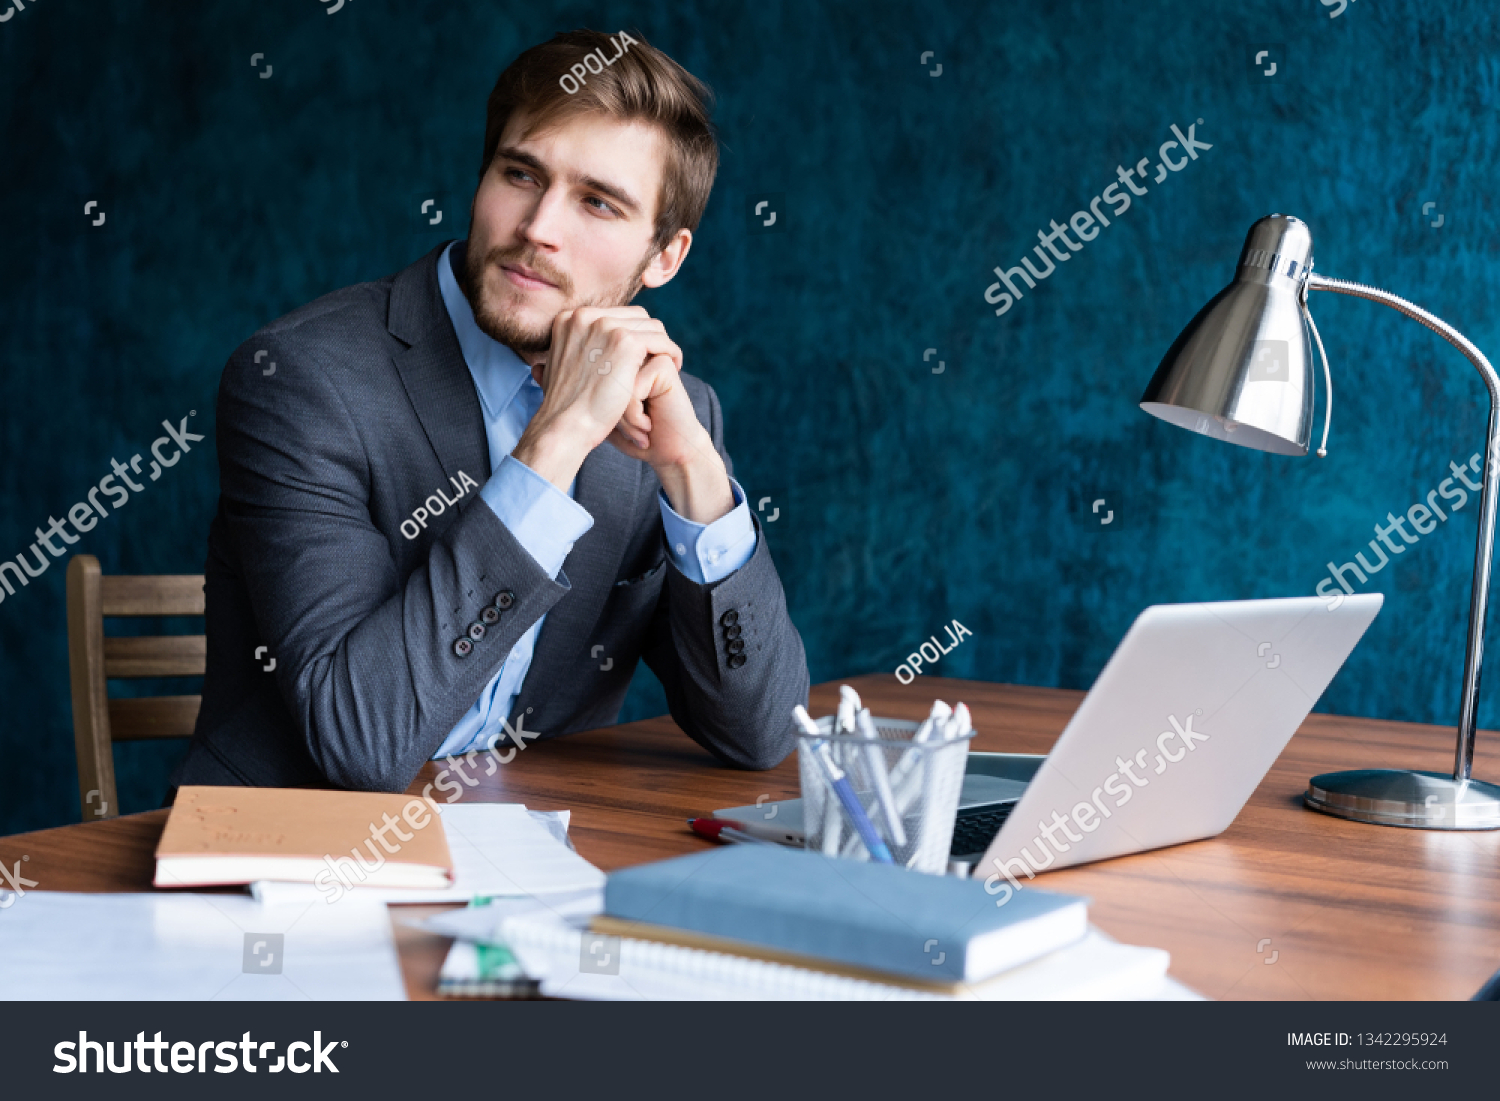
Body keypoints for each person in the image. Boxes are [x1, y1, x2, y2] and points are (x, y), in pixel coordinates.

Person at [170, 29, 809, 792]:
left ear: (663, 257)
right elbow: (359, 741)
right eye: (521, 174)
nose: (539, 229)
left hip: (537, 868)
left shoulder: (674, 413)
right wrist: (558, 440)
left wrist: (691, 470)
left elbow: (761, 731)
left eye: (598, 203)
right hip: (291, 867)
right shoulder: (301, 380)